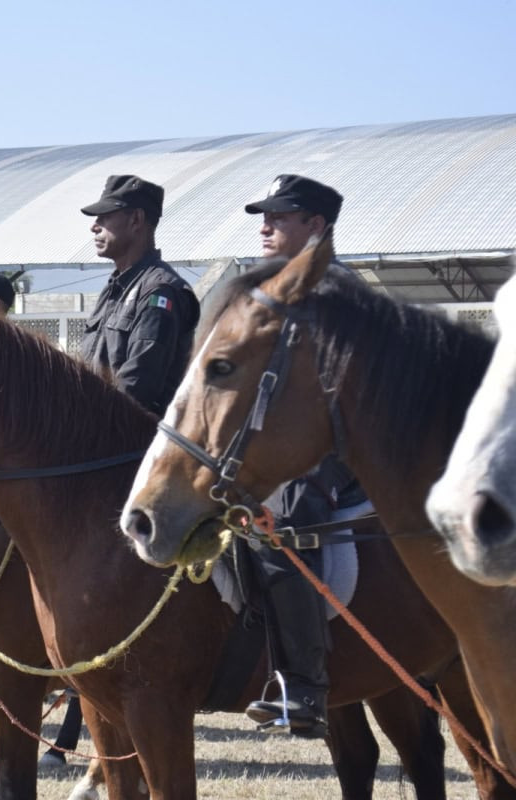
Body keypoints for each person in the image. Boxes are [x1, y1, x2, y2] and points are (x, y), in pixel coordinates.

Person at [240, 174, 366, 738]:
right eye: (263, 216)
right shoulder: (267, 288)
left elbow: (352, 394)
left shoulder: (341, 292)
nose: (264, 226)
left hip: (333, 453)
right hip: (268, 446)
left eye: (279, 216)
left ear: (316, 225)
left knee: (285, 520)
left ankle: (305, 688)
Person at [79, 175, 200, 416]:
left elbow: (136, 388)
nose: (95, 225)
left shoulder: (160, 291)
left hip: (132, 444)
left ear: (136, 220)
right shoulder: (116, 286)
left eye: (105, 216)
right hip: (96, 436)